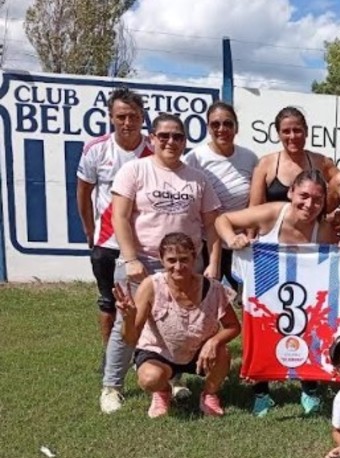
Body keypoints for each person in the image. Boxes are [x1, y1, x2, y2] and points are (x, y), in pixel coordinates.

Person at [100, 113, 222, 414]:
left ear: (184, 141)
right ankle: (112, 387)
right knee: (126, 323)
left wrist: (213, 263)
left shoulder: (197, 178)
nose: (171, 141)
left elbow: (211, 224)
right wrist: (130, 259)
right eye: (164, 136)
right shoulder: (135, 170)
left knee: (181, 323)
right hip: (143, 263)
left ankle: (174, 379)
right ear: (151, 138)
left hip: (187, 264)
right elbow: (120, 217)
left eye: (178, 136)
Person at [216, 169, 340, 417]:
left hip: (304, 289)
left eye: (317, 199)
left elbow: (333, 259)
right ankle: (261, 392)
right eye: (303, 196)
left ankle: (309, 387)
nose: (309, 204)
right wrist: (232, 239)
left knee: (309, 328)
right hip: (267, 283)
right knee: (264, 331)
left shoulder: (323, 229)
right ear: (290, 192)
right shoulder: (272, 213)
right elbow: (223, 220)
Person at [112, 233, 240, 418]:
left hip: (199, 352)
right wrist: (129, 318)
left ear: (195, 258)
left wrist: (213, 342)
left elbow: (233, 326)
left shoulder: (213, 288)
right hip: (159, 352)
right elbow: (130, 338)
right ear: (161, 260)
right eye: (171, 260)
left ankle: (209, 394)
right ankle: (162, 392)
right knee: (150, 378)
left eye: (184, 260)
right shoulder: (151, 286)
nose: (178, 267)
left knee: (223, 353)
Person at [76, 87, 152, 348]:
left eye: (133, 116)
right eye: (121, 117)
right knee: (108, 302)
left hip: (145, 243)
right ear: (110, 117)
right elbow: (83, 192)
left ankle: (146, 353)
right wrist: (89, 230)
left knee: (149, 300)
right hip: (107, 242)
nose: (127, 123)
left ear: (142, 117)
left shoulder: (154, 149)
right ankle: (110, 356)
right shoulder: (96, 149)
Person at [183, 101, 258, 293]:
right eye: (215, 124)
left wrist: (249, 237)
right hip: (206, 244)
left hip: (240, 244)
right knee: (202, 300)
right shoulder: (194, 158)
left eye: (228, 123)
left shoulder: (249, 158)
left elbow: (255, 202)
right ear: (208, 127)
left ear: (236, 127)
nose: (222, 129)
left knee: (248, 301)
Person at [249, 107, 339, 207]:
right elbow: (254, 208)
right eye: (286, 131)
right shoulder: (265, 164)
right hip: (276, 222)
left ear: (306, 132)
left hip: (312, 222)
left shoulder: (320, 162)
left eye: (297, 130)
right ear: (278, 135)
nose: (292, 136)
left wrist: (332, 216)